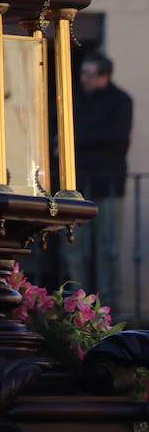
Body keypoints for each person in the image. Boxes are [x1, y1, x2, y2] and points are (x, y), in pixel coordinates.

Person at [68, 52, 134, 312]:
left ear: (104, 76)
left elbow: (115, 140)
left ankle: (109, 308)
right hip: (79, 183)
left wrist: (79, 140)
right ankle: (76, 307)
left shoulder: (121, 101)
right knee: (74, 250)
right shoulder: (75, 97)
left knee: (109, 249)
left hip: (109, 184)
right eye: (82, 73)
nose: (83, 79)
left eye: (89, 74)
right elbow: (62, 132)